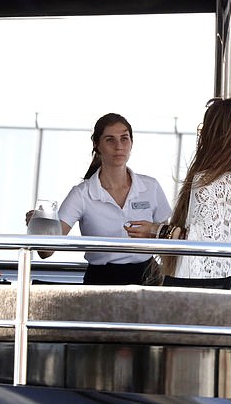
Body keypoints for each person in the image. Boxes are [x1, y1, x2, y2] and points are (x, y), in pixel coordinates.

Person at [125, 98, 231, 290]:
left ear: (211, 135)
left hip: (208, 290)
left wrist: (153, 230)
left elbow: (196, 242)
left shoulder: (206, 181)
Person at [29, 113, 172, 285]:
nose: (119, 146)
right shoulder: (82, 194)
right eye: (110, 139)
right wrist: (39, 226)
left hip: (148, 279)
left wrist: (154, 230)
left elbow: (170, 245)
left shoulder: (151, 186)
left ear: (131, 143)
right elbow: (46, 252)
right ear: (97, 145)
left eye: (124, 138)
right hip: (102, 280)